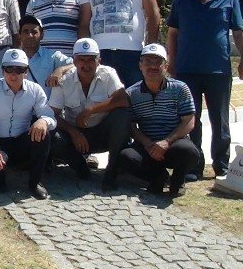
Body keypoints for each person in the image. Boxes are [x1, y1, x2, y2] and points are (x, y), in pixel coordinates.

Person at [166, 0, 243, 180]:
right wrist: (171, 62)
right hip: (187, 70)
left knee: (220, 120)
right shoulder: (181, 1)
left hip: (218, 71)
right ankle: (193, 166)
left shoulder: (229, 0)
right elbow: (172, 34)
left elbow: (239, 32)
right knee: (191, 120)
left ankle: (221, 165)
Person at [89, 44, 198, 196]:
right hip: (148, 143)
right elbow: (131, 126)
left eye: (158, 62)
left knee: (188, 152)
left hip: (174, 142)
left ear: (166, 66)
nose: (153, 66)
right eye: (147, 62)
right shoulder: (132, 93)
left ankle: (178, 181)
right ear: (140, 65)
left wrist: (166, 142)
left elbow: (189, 121)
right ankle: (158, 176)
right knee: (126, 158)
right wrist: (147, 143)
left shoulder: (180, 88)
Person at [49, 38, 131, 190]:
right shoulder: (63, 80)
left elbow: (123, 99)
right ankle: (80, 167)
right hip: (75, 136)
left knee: (122, 115)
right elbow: (53, 114)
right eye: (81, 60)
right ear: (74, 61)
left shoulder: (108, 74)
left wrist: (91, 110)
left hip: (102, 133)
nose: (86, 65)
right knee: (51, 131)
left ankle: (111, 173)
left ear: (99, 60)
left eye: (91, 60)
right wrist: (73, 132)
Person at [0, 48, 55, 199]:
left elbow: (50, 116)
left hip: (21, 142)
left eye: (19, 69)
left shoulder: (35, 90)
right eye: (9, 69)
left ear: (26, 72)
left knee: (44, 134)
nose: (13, 74)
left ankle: (35, 182)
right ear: (3, 70)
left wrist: (43, 120)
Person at [18, 15, 73, 99]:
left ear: (42, 35)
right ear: (20, 36)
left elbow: (77, 64)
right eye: (25, 31)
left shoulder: (53, 56)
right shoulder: (13, 57)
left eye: (34, 32)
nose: (30, 35)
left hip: (46, 110)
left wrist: (60, 70)